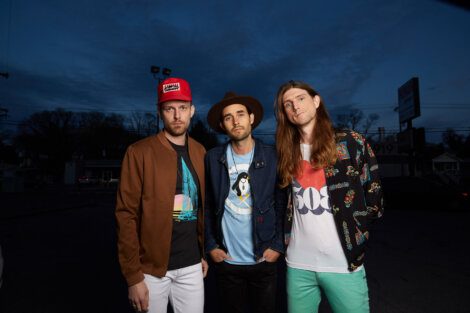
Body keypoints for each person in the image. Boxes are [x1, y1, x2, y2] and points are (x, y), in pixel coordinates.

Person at [274, 80, 383, 313]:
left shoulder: (351, 142)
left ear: (316, 100)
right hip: (298, 264)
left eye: (301, 99)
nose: (295, 107)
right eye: (288, 104)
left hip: (343, 264)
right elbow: (283, 202)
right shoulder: (285, 151)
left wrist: (357, 236)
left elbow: (375, 198)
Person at [116, 77, 208, 313]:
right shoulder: (139, 152)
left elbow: (202, 208)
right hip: (151, 270)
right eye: (170, 109)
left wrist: (202, 252)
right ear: (160, 112)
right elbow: (126, 215)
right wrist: (133, 276)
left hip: (192, 266)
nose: (177, 115)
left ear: (192, 111)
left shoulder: (200, 151)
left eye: (183, 108)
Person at [204, 92, 285, 313]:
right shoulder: (212, 158)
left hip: (263, 260)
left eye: (240, 114)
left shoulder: (272, 157)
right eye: (228, 117)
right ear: (222, 124)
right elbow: (208, 205)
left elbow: (281, 203)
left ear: (251, 117)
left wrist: (277, 245)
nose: (235, 121)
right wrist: (211, 245)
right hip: (227, 262)